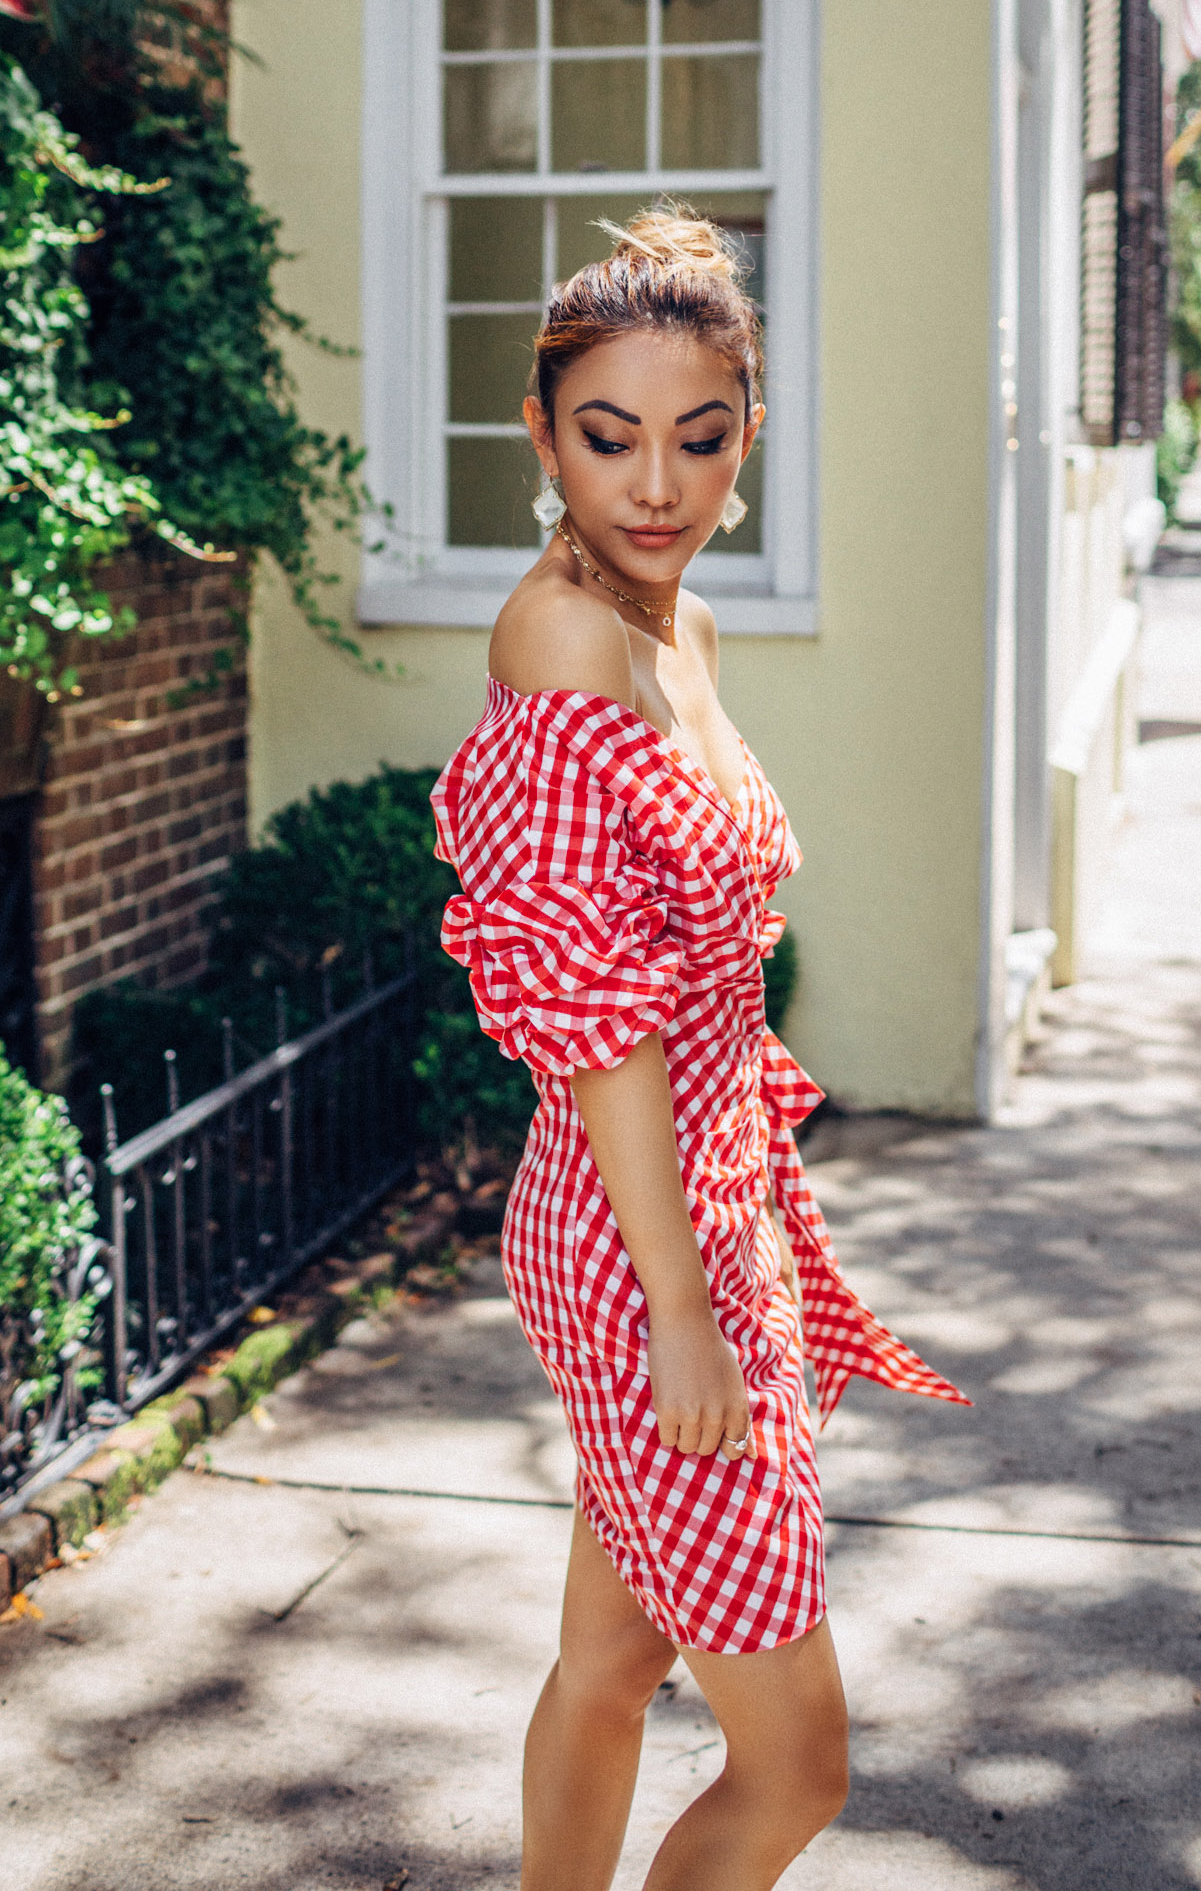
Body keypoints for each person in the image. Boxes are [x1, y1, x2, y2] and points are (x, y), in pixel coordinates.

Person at [431, 205, 968, 1891]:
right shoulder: (565, 638)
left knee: (611, 1665)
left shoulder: (686, 629)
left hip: (708, 1208)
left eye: (699, 438)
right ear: (541, 434)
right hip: (630, 1232)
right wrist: (683, 1308)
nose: (655, 486)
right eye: (607, 440)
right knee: (799, 1765)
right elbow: (599, 1024)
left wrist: (738, 1253)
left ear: (745, 436)